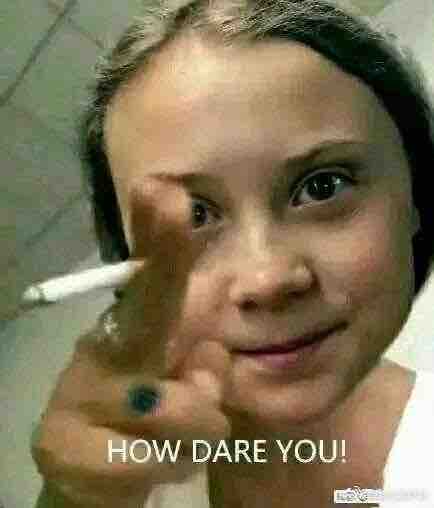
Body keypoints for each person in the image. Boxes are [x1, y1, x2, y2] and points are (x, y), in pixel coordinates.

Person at [31, 0, 434, 506]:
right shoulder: (135, 480)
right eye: (192, 217)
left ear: (415, 194)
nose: (266, 279)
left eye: (323, 186)